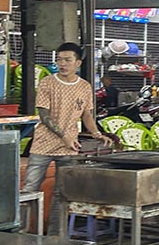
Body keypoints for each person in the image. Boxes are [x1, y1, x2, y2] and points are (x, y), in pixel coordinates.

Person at [24, 42, 112, 234]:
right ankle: (21, 233)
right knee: (30, 189)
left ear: (78, 63)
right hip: (42, 145)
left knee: (62, 193)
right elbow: (44, 116)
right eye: (59, 59)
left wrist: (97, 134)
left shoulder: (84, 86)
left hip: (70, 146)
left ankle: (57, 235)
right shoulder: (48, 83)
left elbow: (87, 115)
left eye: (67, 60)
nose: (62, 64)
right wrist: (63, 136)